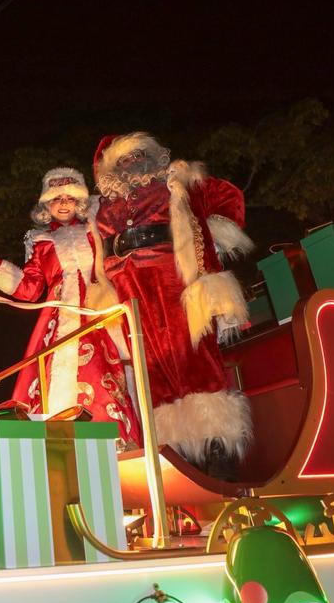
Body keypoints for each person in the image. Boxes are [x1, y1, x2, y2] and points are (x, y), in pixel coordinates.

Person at [88, 132, 254, 480]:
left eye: (139, 155)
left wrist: (216, 238)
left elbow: (228, 195)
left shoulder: (177, 182)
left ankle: (217, 450)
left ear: (154, 156)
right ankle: (178, 456)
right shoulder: (99, 206)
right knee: (153, 370)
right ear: (113, 169)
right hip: (126, 289)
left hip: (172, 278)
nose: (133, 163)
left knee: (194, 357)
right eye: (125, 160)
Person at [0, 168, 141, 448]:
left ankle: (116, 437)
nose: (63, 203)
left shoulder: (96, 231)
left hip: (99, 314)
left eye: (70, 197)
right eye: (56, 198)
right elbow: (30, 290)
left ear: (80, 202)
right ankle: (62, 439)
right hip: (59, 319)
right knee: (55, 374)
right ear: (45, 205)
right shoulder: (40, 242)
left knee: (107, 370)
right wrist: (0, 269)